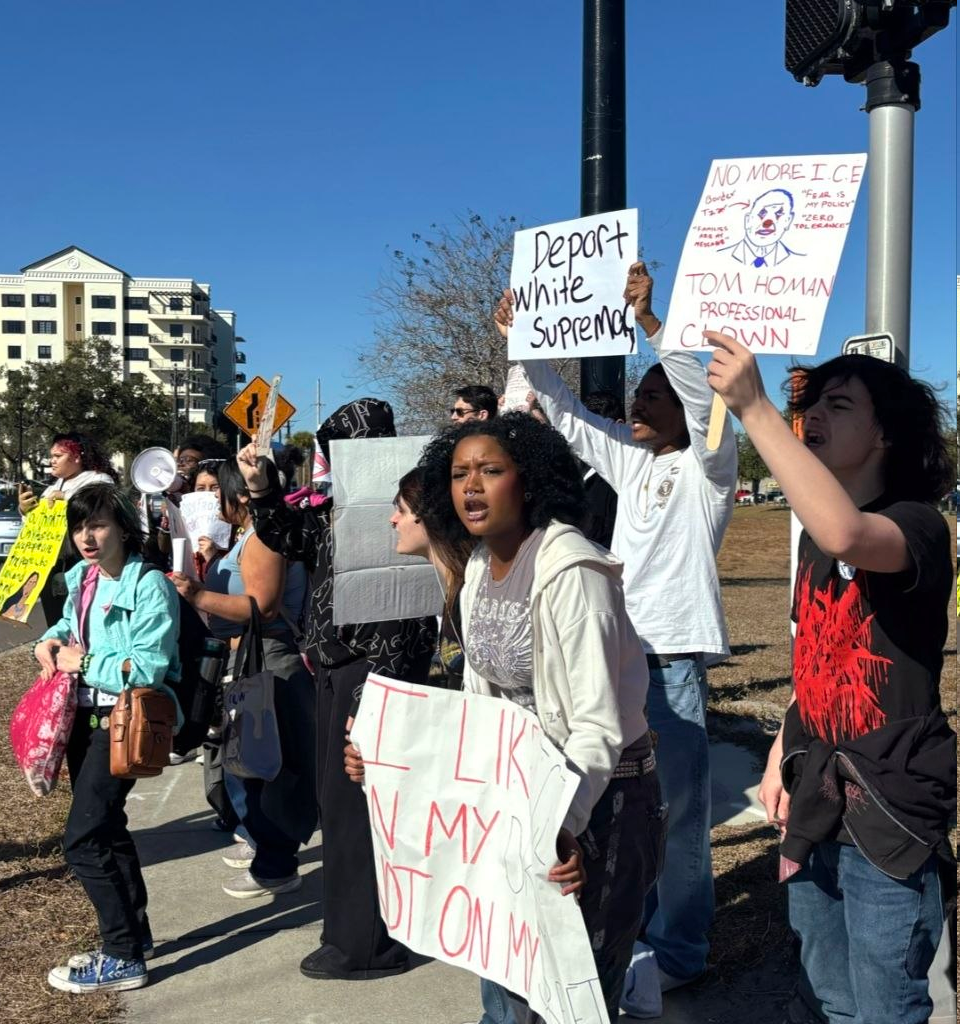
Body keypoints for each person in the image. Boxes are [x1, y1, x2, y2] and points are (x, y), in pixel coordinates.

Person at [495, 262, 738, 1004]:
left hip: (670, 670)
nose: (640, 400)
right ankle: (624, 931)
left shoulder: (711, 470)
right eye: (639, 389)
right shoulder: (630, 462)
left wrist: (652, 325)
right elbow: (563, 412)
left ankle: (682, 949)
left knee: (682, 818)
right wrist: (522, 341)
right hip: (611, 665)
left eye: (653, 394)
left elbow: (703, 403)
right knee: (617, 811)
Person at [706, 334, 955, 1024]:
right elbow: (814, 660)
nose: (813, 415)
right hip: (815, 800)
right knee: (826, 993)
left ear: (885, 435)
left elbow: (850, 533)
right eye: (809, 404)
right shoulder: (814, 539)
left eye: (838, 405)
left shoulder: (919, 527)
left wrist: (754, 408)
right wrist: (774, 756)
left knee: (886, 1004)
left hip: (890, 811)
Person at [415, 412, 665, 1024]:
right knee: (505, 969)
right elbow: (483, 702)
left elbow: (598, 726)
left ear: (527, 482)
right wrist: (395, 757)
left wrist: (561, 823)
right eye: (459, 474)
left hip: (600, 799)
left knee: (573, 992)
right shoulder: (477, 568)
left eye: (490, 471)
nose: (471, 486)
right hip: (523, 797)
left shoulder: (574, 572)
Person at [237, 397, 438, 981]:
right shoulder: (336, 512)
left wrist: (380, 691)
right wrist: (262, 486)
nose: (330, 461)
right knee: (339, 804)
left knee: (359, 806)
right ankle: (352, 932)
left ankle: (367, 945)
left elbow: (408, 615)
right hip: (334, 668)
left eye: (338, 449)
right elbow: (282, 533)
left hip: (372, 673)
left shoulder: (409, 509)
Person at [36, 484, 181, 993]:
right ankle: (135, 938)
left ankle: (121, 956)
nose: (87, 537)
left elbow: (149, 665)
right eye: (79, 527)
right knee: (109, 828)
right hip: (83, 718)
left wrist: (85, 662)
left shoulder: (149, 586)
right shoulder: (82, 578)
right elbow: (63, 627)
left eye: (97, 524)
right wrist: (47, 642)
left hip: (123, 722)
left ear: (122, 526)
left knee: (83, 839)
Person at [170, 458, 315, 898]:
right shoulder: (250, 537)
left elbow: (262, 607)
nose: (212, 502)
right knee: (252, 765)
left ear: (239, 495)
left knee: (265, 767)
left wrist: (198, 594)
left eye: (219, 493)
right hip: (255, 661)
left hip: (268, 662)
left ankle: (276, 864)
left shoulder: (264, 540)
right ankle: (267, 849)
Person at [18, 432, 118, 627]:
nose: (51, 461)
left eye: (58, 456)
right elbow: (34, 530)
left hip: (85, 562)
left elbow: (96, 506)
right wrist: (26, 511)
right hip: (52, 564)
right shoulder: (50, 489)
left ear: (76, 456)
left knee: (84, 621)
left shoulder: (99, 480)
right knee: (57, 622)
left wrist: (67, 497)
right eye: (52, 456)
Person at [389, 467, 475, 689]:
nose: (393, 520)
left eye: (402, 510)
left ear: (426, 516)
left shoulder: (471, 591)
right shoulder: (455, 586)